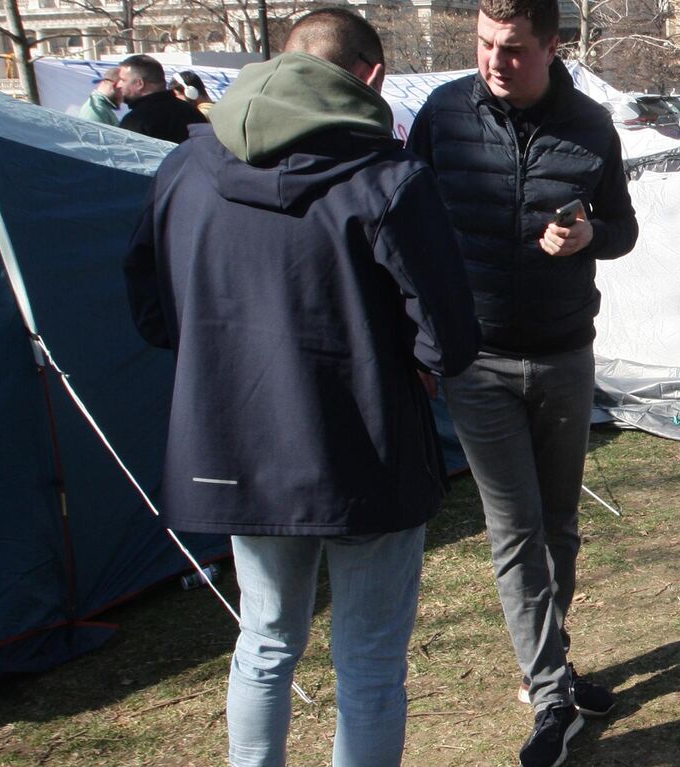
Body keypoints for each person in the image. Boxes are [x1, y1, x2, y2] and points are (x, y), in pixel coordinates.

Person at [123, 8, 479, 765]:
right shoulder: (388, 177)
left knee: (266, 638)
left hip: (239, 438)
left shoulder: (186, 165)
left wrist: (221, 363)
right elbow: (449, 335)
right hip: (367, 444)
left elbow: (152, 308)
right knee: (367, 659)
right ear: (372, 77)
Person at [406, 0, 639, 761]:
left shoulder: (592, 127)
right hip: (476, 360)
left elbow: (625, 229)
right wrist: (420, 337)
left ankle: (553, 664)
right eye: (483, 45)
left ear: (551, 47)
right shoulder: (442, 116)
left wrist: (588, 237)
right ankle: (550, 696)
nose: (493, 62)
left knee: (560, 526)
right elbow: (404, 227)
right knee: (514, 531)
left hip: (565, 354)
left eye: (511, 50)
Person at [116, 54, 208, 143]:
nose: (118, 85)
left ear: (139, 83)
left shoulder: (134, 122)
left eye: (123, 80)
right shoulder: (193, 113)